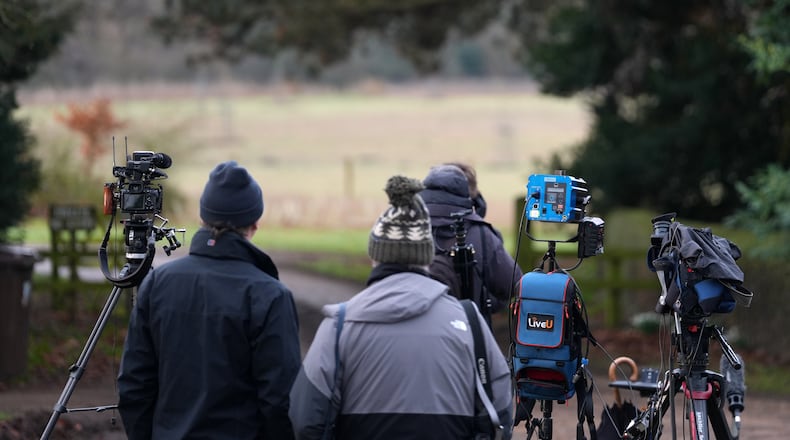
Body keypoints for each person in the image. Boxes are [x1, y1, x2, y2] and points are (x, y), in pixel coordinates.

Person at [288, 175, 513, 440]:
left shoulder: (339, 326)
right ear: (427, 257)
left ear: (375, 257)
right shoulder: (470, 322)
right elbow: (500, 415)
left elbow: (306, 421)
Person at [117, 161, 302, 439]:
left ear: (203, 217)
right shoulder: (269, 295)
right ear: (254, 223)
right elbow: (280, 400)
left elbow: (135, 385)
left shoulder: (158, 283)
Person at [420, 163, 523, 319]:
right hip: (467, 328)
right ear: (471, 196)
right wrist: (484, 302)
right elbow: (513, 285)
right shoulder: (481, 234)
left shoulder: (407, 228)